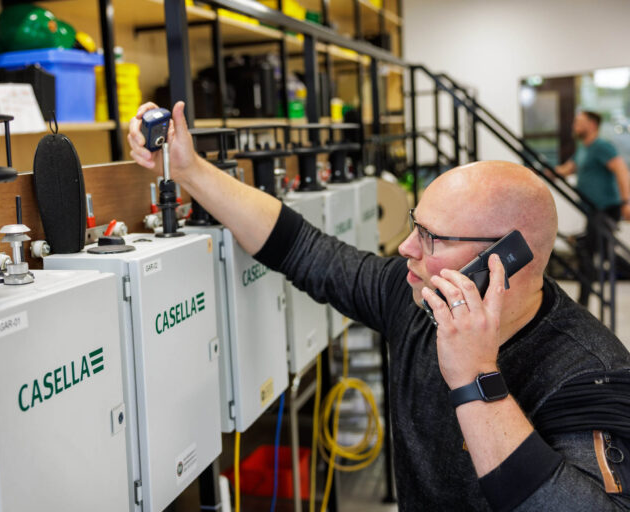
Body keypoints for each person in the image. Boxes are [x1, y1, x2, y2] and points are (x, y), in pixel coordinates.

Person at [129, 102, 630, 510]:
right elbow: (304, 249)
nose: (406, 248)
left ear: (503, 259)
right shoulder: (413, 300)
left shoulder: (590, 373)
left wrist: (475, 375)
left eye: (430, 237)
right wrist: (190, 169)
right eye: (414, 225)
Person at [555, 110, 630, 306]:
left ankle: (583, 301)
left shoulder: (602, 146)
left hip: (606, 209)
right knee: (596, 251)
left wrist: (627, 202)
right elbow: (566, 169)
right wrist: (536, 171)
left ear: (592, 125)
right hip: (592, 211)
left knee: (589, 252)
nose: (575, 125)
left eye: (579, 122)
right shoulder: (584, 148)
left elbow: (622, 170)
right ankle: (583, 300)